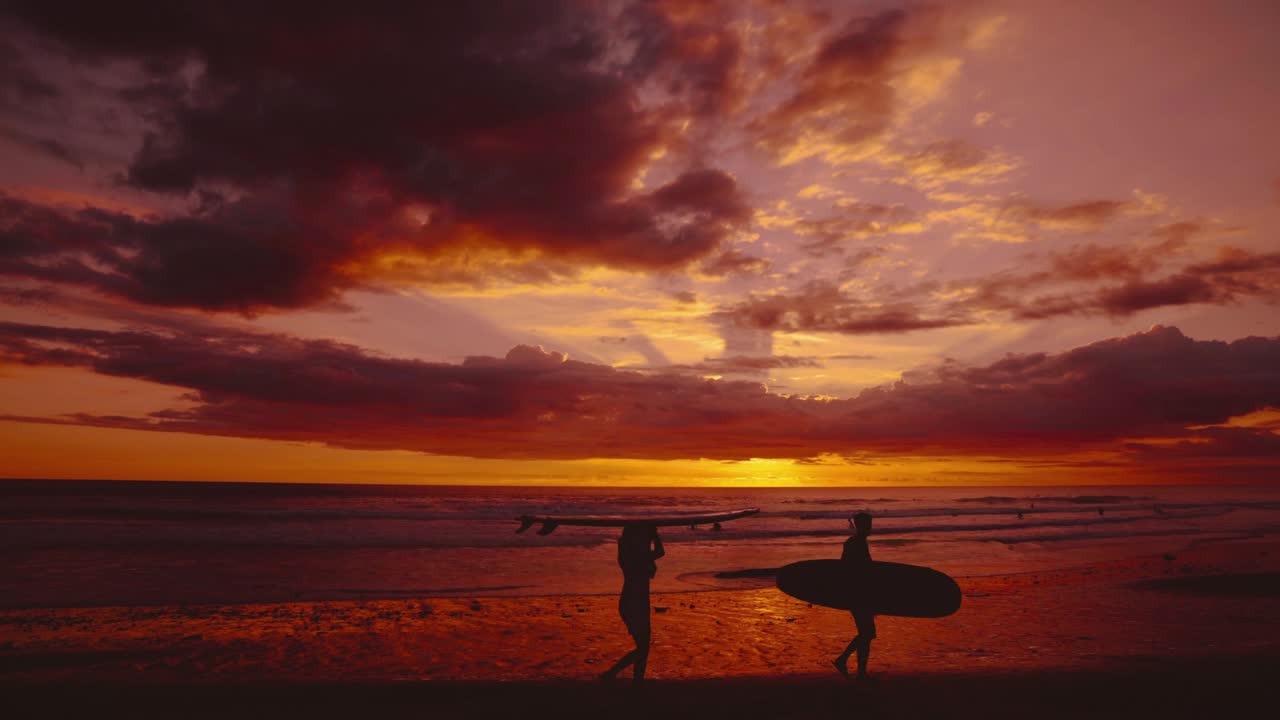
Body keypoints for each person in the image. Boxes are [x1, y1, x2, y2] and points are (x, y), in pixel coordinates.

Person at [600, 524, 664, 686]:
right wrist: (654, 535)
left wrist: (652, 535)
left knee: (643, 646)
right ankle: (614, 674)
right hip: (633, 604)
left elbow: (658, 552)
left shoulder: (631, 558)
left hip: (636, 603)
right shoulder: (636, 558)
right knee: (643, 646)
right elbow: (659, 552)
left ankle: (634, 679)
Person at [834, 512, 876, 681]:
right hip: (858, 595)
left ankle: (860, 672)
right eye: (868, 525)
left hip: (859, 594)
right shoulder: (856, 543)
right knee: (867, 633)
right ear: (862, 526)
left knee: (866, 633)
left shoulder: (856, 542)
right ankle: (843, 660)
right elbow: (855, 570)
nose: (870, 528)